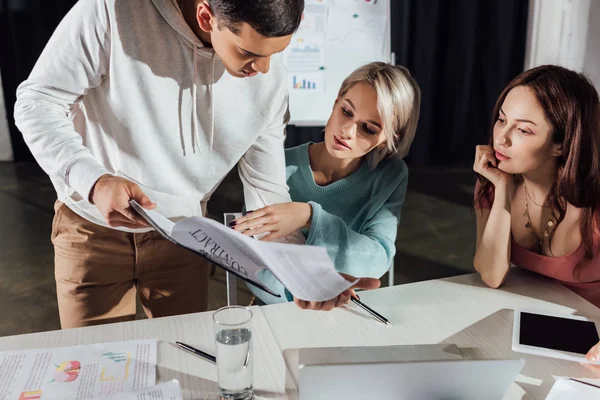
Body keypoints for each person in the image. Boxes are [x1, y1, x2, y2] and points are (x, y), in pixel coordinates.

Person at [13, 0, 305, 328]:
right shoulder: (112, 10)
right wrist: (93, 181)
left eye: (275, 53)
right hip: (91, 230)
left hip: (186, 238)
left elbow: (268, 196)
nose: (263, 70)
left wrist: (306, 279)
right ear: (206, 17)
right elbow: (37, 102)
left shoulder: (271, 82)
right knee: (91, 368)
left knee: (185, 360)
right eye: (248, 54)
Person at [232, 62, 421, 307]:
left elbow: (377, 260)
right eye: (346, 111)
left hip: (348, 309)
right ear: (335, 102)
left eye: (368, 128)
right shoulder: (277, 164)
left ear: (387, 140)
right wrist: (302, 291)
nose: (347, 131)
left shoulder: (390, 175)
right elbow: (252, 261)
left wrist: (310, 217)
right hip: (281, 309)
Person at [472, 65, 600, 363]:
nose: (501, 139)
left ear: (561, 144)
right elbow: (492, 275)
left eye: (523, 129)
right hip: (536, 331)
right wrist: (501, 189)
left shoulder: (594, 208)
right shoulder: (493, 184)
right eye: (502, 120)